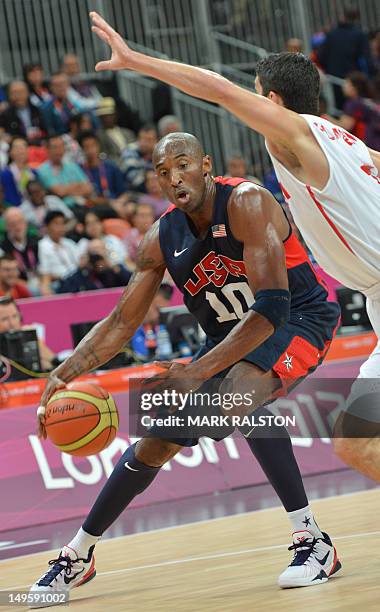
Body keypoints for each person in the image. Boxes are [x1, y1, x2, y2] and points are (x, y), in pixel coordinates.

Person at [31, 132, 341, 601]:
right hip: (228, 338)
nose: (174, 177)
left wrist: (195, 372)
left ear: (206, 165)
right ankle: (77, 555)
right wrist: (63, 374)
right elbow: (120, 322)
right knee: (154, 439)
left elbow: (272, 308)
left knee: (238, 398)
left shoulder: (247, 202)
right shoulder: (161, 237)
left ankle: (313, 541)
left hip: (297, 317)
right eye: (162, 170)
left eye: (182, 164)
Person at [89, 12, 380, 483]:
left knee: (357, 437)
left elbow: (219, 89)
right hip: (376, 298)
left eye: (257, 92)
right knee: (356, 438)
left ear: (271, 100)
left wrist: (137, 61)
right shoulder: (343, 139)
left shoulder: (295, 136)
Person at [317, 7, 372, 109]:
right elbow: (367, 59)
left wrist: (329, 69)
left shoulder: (331, 35)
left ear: (342, 17)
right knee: (357, 108)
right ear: (356, 19)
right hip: (354, 80)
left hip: (334, 77)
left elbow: (321, 56)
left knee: (339, 108)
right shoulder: (359, 35)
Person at [37, 135, 93, 209]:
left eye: (61, 146)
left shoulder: (72, 165)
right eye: (55, 147)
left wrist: (66, 189)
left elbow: (88, 188)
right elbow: (60, 192)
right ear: (47, 149)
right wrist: (77, 186)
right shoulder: (43, 170)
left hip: (84, 204)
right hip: (63, 208)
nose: (59, 150)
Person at [0, 296, 56, 370]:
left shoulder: (28, 336)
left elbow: (55, 364)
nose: (12, 323)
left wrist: (36, 343)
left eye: (15, 316)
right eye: (5, 319)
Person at [58, 238, 131, 293]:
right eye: (93, 250)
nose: (96, 254)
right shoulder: (84, 274)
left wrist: (110, 265)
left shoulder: (115, 268)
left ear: (106, 251)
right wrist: (79, 269)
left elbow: (131, 282)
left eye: (100, 249)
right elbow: (64, 290)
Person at [38, 210, 79, 295]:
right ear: (47, 226)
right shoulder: (43, 245)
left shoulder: (69, 243)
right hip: (60, 282)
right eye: (56, 224)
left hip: (76, 278)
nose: (60, 227)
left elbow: (78, 264)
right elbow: (45, 273)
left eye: (62, 223)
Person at [79, 131, 126, 203]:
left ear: (98, 146)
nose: (91, 150)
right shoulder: (80, 170)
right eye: (87, 147)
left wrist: (119, 202)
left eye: (93, 145)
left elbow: (123, 193)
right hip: (93, 207)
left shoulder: (111, 166)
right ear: (82, 149)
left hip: (115, 204)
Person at [0, 207, 40, 292]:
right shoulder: (3, 248)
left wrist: (43, 283)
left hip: (38, 280)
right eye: (13, 224)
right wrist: (27, 285)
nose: (18, 227)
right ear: (7, 227)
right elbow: (5, 277)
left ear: (25, 223)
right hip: (17, 285)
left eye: (20, 222)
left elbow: (44, 268)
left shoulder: (36, 243)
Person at [0, 80, 46, 145]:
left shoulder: (38, 110)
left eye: (21, 92)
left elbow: (47, 130)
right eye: (14, 92)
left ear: (28, 93)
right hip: (18, 148)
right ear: (9, 95)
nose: (18, 96)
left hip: (40, 145)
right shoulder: (5, 115)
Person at [96, 97, 136, 162]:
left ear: (115, 115)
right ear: (100, 118)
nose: (107, 119)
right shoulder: (99, 136)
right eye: (104, 116)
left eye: (109, 115)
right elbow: (105, 157)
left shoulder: (128, 132)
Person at [121, 124, 158, 192]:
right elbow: (135, 180)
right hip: (134, 192)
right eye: (141, 138)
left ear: (156, 141)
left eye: (148, 140)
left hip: (158, 192)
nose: (144, 143)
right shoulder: (130, 150)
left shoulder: (160, 152)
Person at [0, 137, 36, 206]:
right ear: (10, 152)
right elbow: (9, 199)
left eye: (24, 147)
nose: (21, 150)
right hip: (15, 210)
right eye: (17, 148)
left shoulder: (34, 172)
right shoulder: (5, 174)